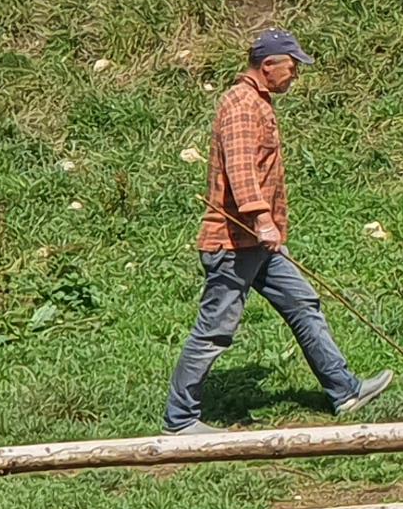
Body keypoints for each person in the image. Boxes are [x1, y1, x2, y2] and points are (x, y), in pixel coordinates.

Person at [163, 28, 391, 433]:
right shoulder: (240, 105)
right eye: (292, 66)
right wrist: (262, 219)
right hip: (234, 243)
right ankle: (180, 421)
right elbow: (240, 170)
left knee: (303, 303)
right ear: (268, 65)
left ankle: (345, 391)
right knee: (214, 330)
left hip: (257, 245)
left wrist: (267, 232)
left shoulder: (258, 102)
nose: (295, 75)